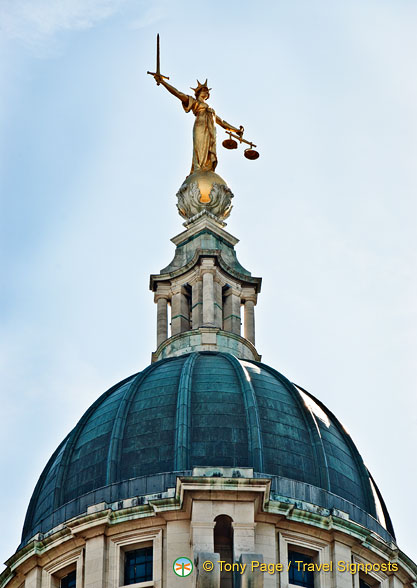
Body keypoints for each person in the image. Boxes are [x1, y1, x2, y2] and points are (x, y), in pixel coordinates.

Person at [153, 74, 243, 174]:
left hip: (210, 131)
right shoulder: (195, 102)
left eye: (208, 91)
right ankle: (198, 168)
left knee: (208, 149)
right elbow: (178, 93)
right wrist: (163, 82)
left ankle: (206, 168)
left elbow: (222, 123)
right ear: (199, 93)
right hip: (200, 126)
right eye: (205, 90)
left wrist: (237, 130)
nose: (207, 92)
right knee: (199, 148)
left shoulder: (211, 110)